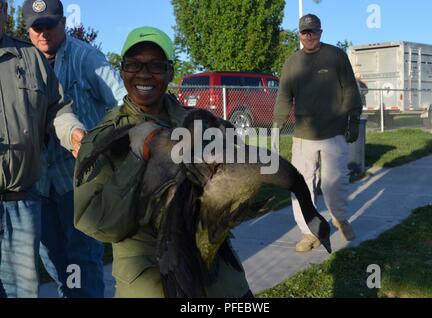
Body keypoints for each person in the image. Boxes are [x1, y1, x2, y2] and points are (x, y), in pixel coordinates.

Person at [73, 26, 252, 298]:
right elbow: (97, 222)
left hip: (215, 272)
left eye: (156, 65)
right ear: (122, 71)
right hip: (150, 273)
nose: (144, 73)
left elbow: (239, 187)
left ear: (170, 72)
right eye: (133, 64)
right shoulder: (103, 139)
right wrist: (137, 157)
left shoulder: (202, 123)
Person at [22, 0, 126, 298]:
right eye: (36, 27)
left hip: (79, 184)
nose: (43, 34)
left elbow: (122, 104)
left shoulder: (86, 57)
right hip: (40, 186)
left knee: (84, 261)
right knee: (54, 261)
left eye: (49, 26)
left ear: (63, 23)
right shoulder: (23, 65)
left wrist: (101, 145)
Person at [0, 0, 85, 298]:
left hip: (22, 201)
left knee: (22, 292)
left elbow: (57, 109)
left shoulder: (30, 58)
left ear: (4, 11)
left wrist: (74, 133)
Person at [273, 14, 363, 252]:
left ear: (320, 33)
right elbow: (284, 97)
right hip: (303, 136)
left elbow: (350, 90)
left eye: (313, 31)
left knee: (335, 183)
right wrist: (276, 125)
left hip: (334, 133)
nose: (309, 36)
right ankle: (308, 232)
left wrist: (353, 118)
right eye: (304, 32)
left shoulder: (336, 56)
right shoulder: (292, 63)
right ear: (300, 35)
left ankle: (341, 219)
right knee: (302, 185)